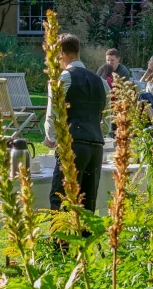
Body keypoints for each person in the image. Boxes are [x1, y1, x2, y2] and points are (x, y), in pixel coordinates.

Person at [44, 33, 110, 214]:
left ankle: (62, 235)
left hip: (72, 146)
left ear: (61, 54)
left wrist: (51, 138)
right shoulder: (102, 82)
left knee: (61, 202)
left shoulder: (63, 79)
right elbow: (106, 124)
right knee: (88, 206)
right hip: (96, 148)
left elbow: (53, 115)